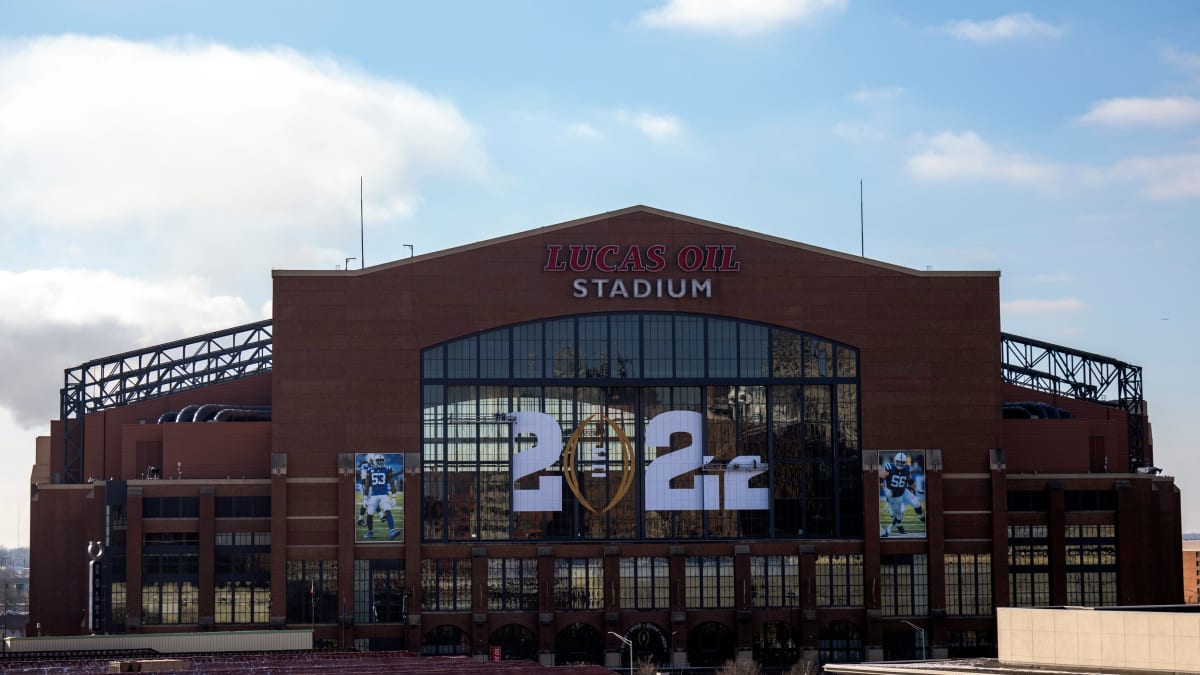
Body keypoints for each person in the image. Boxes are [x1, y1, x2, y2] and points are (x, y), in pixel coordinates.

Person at [879, 452, 924, 537]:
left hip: (904, 491)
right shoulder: (889, 467)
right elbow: (879, 480)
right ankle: (899, 527)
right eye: (898, 461)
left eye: (902, 462)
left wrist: (917, 489)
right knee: (898, 515)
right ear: (895, 460)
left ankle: (922, 518)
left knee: (916, 503)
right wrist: (885, 489)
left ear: (905, 462)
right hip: (894, 496)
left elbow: (909, 480)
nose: (900, 464)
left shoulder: (907, 468)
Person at [362, 453, 401, 540]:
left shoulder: (387, 469)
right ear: (375, 462)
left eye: (381, 461)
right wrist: (365, 498)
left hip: (384, 494)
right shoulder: (369, 470)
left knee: (388, 511)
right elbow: (367, 485)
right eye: (378, 461)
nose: (380, 462)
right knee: (369, 514)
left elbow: (392, 484)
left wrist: (394, 497)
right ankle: (370, 531)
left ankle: (392, 531)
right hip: (374, 495)